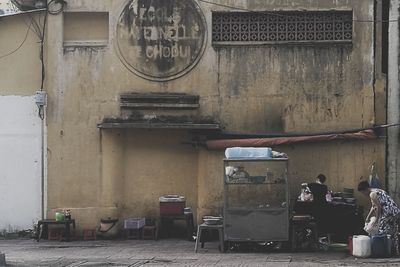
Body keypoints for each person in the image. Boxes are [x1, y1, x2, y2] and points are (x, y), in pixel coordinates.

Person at [358, 181, 400, 254]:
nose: (363, 194)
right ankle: (395, 251)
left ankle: (382, 251)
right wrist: (368, 217)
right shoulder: (377, 190)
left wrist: (376, 220)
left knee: (382, 231)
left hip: (388, 213)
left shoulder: (372, 194)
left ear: (365, 189)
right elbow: (373, 206)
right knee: (394, 232)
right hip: (395, 211)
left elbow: (378, 208)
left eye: (362, 192)